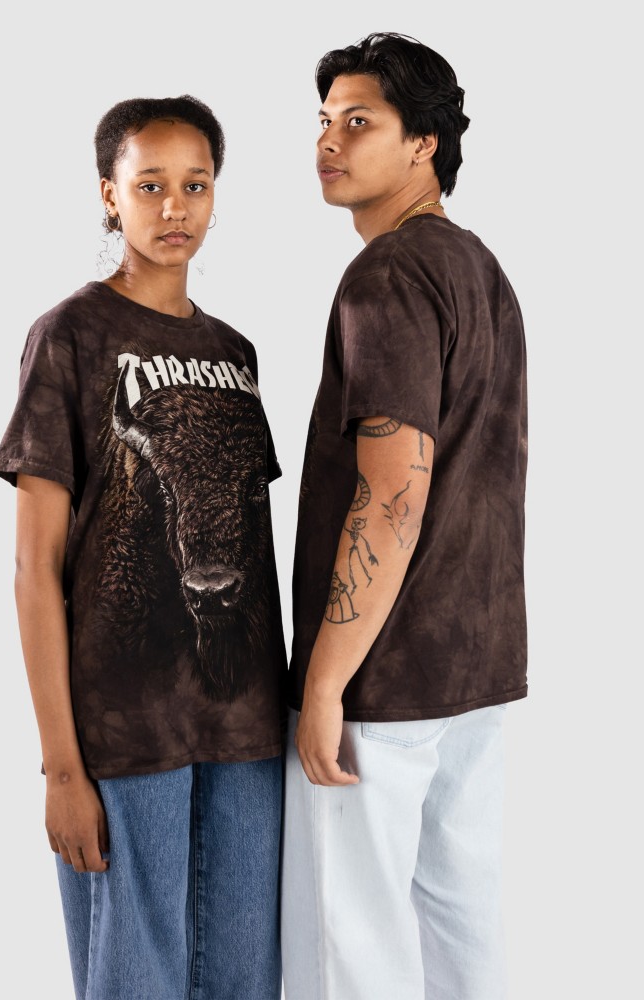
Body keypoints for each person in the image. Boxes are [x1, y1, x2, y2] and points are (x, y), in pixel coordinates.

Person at [0, 95, 286, 1000]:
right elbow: (33, 571)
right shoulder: (69, 337)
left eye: (196, 185)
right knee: (134, 982)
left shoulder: (236, 352)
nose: (175, 207)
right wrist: (61, 767)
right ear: (108, 195)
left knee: (246, 980)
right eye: (150, 185)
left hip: (246, 727)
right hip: (124, 729)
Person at [281, 32, 528, 1000]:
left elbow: (393, 492)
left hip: (383, 675)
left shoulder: (388, 275)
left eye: (359, 122)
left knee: (354, 943)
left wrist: (324, 679)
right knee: (463, 923)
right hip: (477, 661)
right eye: (323, 121)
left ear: (423, 143)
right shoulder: (478, 268)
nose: (328, 143)